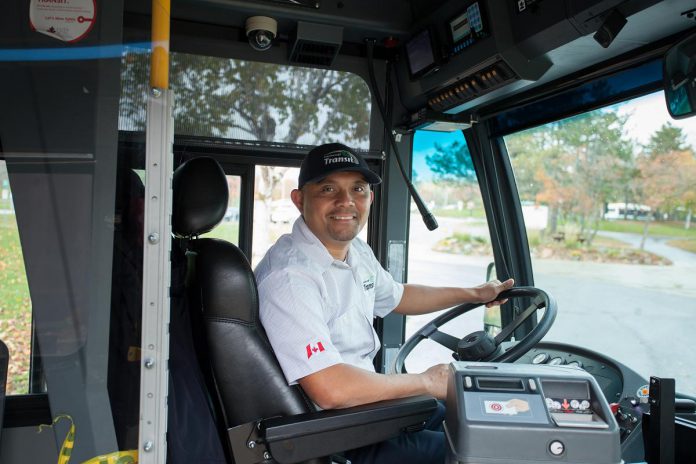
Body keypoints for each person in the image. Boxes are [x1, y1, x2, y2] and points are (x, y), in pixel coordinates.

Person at [255, 142, 514, 464]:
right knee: (484, 452)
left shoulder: (356, 251)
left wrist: (473, 294)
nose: (346, 201)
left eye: (358, 189)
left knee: (478, 421)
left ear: (370, 198)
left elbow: (398, 296)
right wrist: (427, 381)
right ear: (299, 199)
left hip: (369, 407)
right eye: (327, 189)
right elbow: (330, 388)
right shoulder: (290, 278)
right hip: (333, 431)